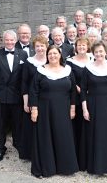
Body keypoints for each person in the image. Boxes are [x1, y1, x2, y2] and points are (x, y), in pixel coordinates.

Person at [29, 45, 78, 177]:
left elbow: (73, 91)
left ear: (60, 55)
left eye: (55, 53)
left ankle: (65, 167)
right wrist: (34, 109)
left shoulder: (67, 70)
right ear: (47, 56)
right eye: (50, 54)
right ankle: (47, 168)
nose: (52, 56)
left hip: (63, 110)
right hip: (45, 110)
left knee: (63, 137)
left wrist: (72, 108)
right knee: (46, 138)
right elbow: (33, 91)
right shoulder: (41, 71)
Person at [79, 41, 107, 174]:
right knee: (94, 135)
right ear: (93, 53)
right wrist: (85, 109)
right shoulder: (88, 68)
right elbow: (83, 90)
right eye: (96, 52)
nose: (99, 54)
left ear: (105, 51)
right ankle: (94, 166)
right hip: (93, 106)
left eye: (101, 51)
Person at [0, 30, 28, 161]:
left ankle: (19, 145)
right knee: (1, 125)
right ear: (4, 40)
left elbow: (25, 77)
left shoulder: (22, 54)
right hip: (1, 96)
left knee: (18, 124)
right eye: (7, 40)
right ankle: (0, 148)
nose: (10, 42)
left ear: (15, 40)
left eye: (12, 40)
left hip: (17, 96)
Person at [20, 35, 48, 160]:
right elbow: (24, 83)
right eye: (37, 46)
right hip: (33, 99)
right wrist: (26, 102)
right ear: (34, 47)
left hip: (48, 99)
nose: (40, 48)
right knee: (32, 125)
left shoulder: (51, 59)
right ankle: (32, 154)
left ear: (46, 46)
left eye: (42, 45)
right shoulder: (29, 62)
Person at [66, 37, 92, 163]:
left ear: (88, 47)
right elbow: (69, 78)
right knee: (77, 124)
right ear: (75, 47)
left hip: (90, 97)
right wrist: (79, 89)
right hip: (75, 97)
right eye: (79, 45)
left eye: (84, 45)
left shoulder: (93, 59)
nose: (82, 47)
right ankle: (77, 155)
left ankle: (88, 154)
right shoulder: (70, 62)